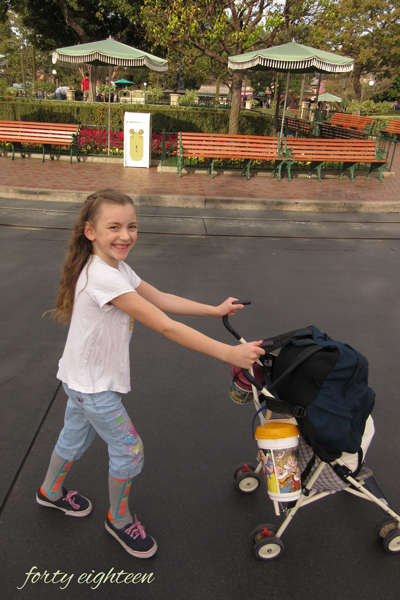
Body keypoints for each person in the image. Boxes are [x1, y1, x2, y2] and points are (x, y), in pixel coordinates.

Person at [36, 189, 264, 559]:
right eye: (114, 227)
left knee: (73, 437)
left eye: (132, 226)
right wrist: (230, 353)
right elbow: (165, 326)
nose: (125, 235)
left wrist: (213, 309)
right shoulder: (104, 278)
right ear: (90, 231)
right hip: (93, 388)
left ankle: (50, 492)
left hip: (79, 380)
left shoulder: (113, 266)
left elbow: (157, 297)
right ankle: (120, 520)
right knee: (129, 450)